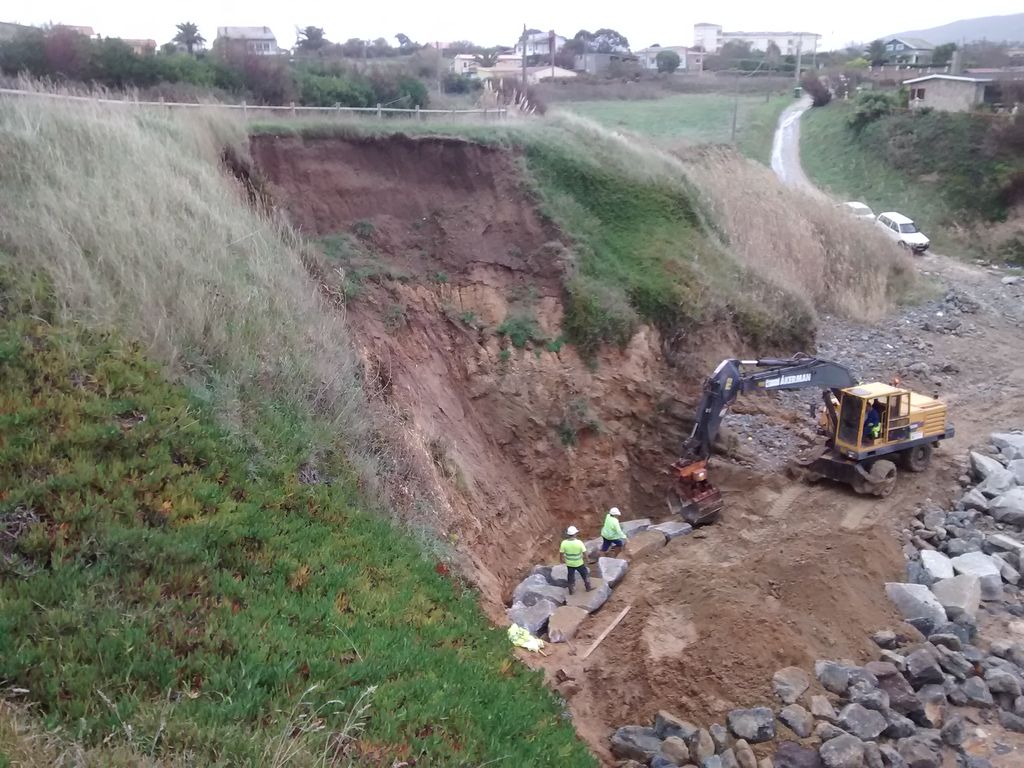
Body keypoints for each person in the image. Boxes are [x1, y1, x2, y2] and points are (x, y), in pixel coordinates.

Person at [559, 525, 592, 595]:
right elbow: (584, 552)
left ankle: (571, 590)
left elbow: (561, 553)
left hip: (569, 563)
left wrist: (561, 560)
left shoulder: (564, 543)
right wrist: (588, 559)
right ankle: (588, 587)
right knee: (584, 574)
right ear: (575, 534)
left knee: (570, 576)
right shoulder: (579, 543)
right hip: (579, 563)